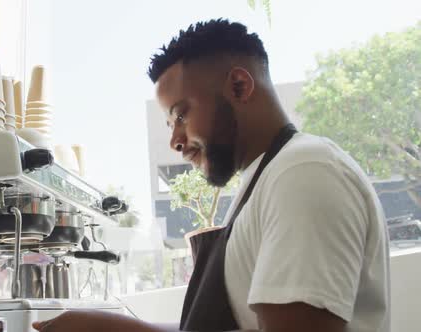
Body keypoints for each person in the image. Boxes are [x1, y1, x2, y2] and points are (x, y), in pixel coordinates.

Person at [33, 19, 390, 332]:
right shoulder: (264, 182)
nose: (175, 140)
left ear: (239, 86)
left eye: (181, 115)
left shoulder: (304, 172)